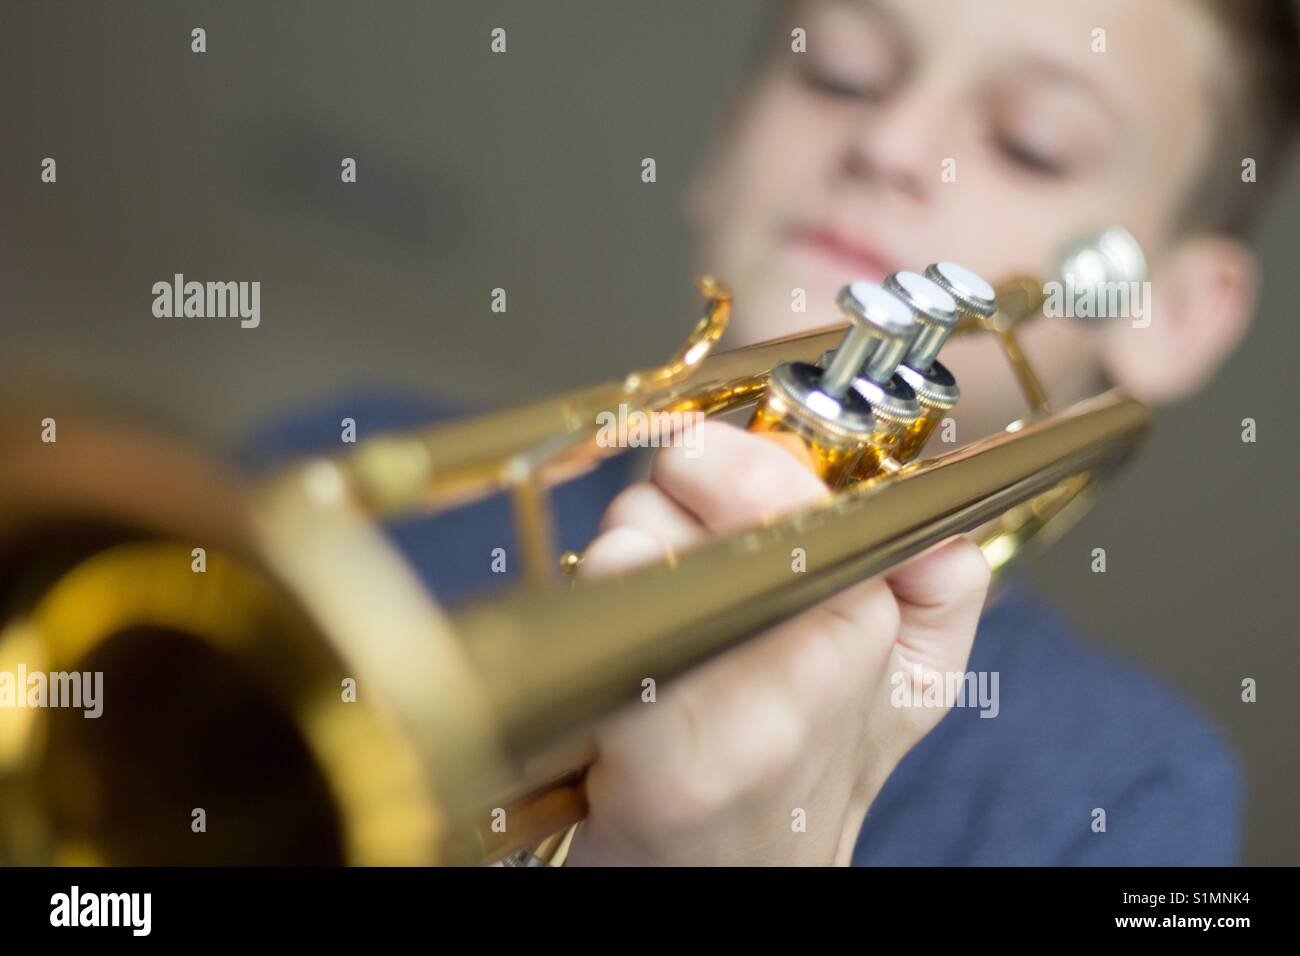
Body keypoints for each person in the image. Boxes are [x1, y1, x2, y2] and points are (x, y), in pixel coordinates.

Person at [247, 0, 1298, 865]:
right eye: (838, 72)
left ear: (1172, 312)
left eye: (1032, 145)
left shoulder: (1133, 778)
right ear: (724, 135)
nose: (886, 143)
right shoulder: (349, 455)